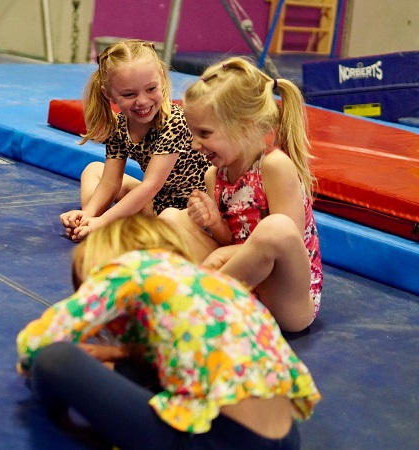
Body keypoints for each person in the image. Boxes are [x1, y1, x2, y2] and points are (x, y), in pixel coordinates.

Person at [17, 214, 321, 450]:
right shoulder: (208, 281)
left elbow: (46, 334)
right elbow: (181, 351)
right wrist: (117, 354)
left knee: (54, 358)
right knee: (132, 368)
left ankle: (47, 392)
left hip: (218, 440)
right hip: (285, 438)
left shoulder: (129, 267)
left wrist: (31, 359)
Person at [159, 56, 322, 333]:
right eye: (192, 132)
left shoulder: (274, 165)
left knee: (276, 228)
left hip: (287, 299)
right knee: (171, 218)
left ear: (245, 126)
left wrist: (222, 259)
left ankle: (202, 299)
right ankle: (213, 296)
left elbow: (285, 240)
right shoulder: (216, 174)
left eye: (205, 133)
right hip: (244, 284)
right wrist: (214, 223)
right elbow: (231, 239)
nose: (195, 144)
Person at [59, 39, 208, 242]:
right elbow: (111, 182)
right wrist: (90, 214)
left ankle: (108, 226)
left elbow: (151, 186)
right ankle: (91, 223)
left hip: (187, 208)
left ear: (162, 80)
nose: (143, 101)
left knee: (156, 210)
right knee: (93, 170)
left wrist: (102, 221)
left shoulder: (174, 121)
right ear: (108, 94)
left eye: (151, 89)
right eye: (129, 94)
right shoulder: (119, 125)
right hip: (157, 200)